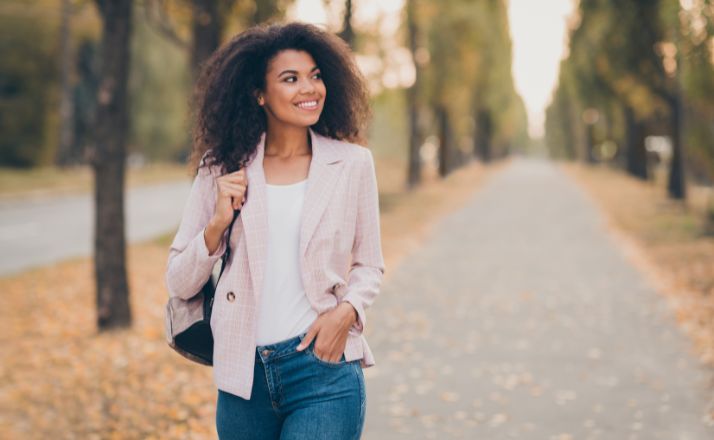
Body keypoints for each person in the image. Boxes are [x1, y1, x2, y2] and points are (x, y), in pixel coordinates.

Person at [164, 21, 385, 439]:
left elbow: (370, 265)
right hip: (242, 378)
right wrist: (217, 225)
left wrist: (346, 312)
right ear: (258, 93)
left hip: (323, 372)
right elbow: (178, 280)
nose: (309, 88)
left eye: (315, 76)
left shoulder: (352, 164)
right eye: (291, 79)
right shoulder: (221, 167)